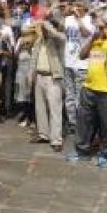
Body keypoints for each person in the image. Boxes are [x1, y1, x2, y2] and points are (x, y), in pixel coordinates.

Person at [67, 15, 107, 167]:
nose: (101, 29)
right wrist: (93, 38)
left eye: (106, 26)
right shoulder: (96, 40)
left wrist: (105, 29)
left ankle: (105, 153)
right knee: (84, 121)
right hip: (89, 87)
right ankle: (82, 151)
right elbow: (82, 55)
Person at [29, 18, 66, 151]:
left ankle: (56, 139)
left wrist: (47, 25)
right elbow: (34, 58)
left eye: (44, 29)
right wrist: (31, 75)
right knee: (40, 107)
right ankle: (43, 134)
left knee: (55, 109)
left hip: (53, 77)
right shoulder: (39, 41)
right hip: (39, 75)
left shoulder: (57, 40)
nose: (42, 30)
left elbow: (59, 36)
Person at [62, 2, 94, 134]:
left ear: (85, 8)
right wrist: (65, 12)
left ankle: (81, 123)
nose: (76, 8)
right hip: (68, 62)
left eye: (80, 5)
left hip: (82, 64)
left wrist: (79, 18)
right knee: (69, 95)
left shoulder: (89, 19)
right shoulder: (68, 19)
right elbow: (59, 29)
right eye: (75, 5)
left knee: (79, 97)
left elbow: (86, 33)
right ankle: (72, 122)